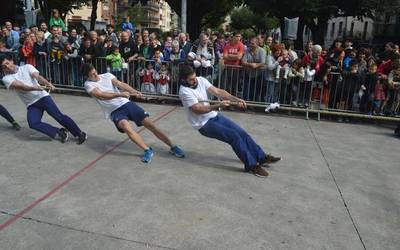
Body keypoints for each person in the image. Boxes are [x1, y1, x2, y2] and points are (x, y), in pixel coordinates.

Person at [178, 64, 281, 178]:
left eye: (195, 76)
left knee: (242, 133)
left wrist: (236, 99)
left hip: (214, 116)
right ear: (184, 79)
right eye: (191, 79)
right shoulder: (184, 91)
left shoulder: (201, 80)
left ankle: (261, 157)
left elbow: (218, 91)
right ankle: (252, 166)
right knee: (234, 136)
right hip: (203, 124)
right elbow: (197, 109)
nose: (195, 80)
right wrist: (217, 105)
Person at [81, 63, 185, 163]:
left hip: (126, 104)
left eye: (95, 72)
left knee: (150, 125)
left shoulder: (107, 75)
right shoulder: (88, 84)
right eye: (92, 75)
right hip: (114, 111)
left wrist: (133, 91)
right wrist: (119, 95)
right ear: (87, 77)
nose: (96, 75)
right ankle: (147, 150)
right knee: (126, 126)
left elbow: (120, 84)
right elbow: (101, 95)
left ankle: (172, 146)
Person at [0, 55, 87, 144]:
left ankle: (79, 133)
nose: (7, 66)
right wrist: (36, 88)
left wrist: (47, 83)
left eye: (7, 63)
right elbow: (22, 87)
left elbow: (37, 77)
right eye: (4, 66)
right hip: (31, 104)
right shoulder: (6, 79)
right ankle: (59, 132)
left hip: (43, 97)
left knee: (59, 117)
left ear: (11, 61)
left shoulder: (27, 67)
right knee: (33, 123)